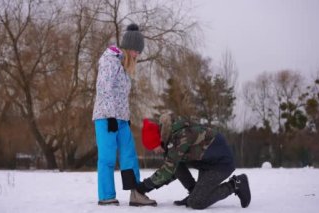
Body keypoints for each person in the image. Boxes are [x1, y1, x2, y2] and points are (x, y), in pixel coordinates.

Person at [92, 23, 156, 206]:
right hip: (106, 117)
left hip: (121, 119)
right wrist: (110, 116)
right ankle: (106, 196)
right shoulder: (109, 61)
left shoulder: (125, 68)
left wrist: (125, 118)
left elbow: (122, 96)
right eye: (135, 51)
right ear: (127, 48)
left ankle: (135, 194)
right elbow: (104, 89)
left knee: (129, 156)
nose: (137, 55)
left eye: (139, 52)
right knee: (107, 157)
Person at [136, 113, 251, 209]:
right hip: (206, 163)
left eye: (154, 147)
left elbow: (168, 171)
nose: (155, 152)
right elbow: (173, 168)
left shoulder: (180, 137)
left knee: (196, 202)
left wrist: (144, 187)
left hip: (220, 163)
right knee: (176, 164)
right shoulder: (171, 136)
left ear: (159, 139)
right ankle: (193, 191)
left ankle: (235, 184)